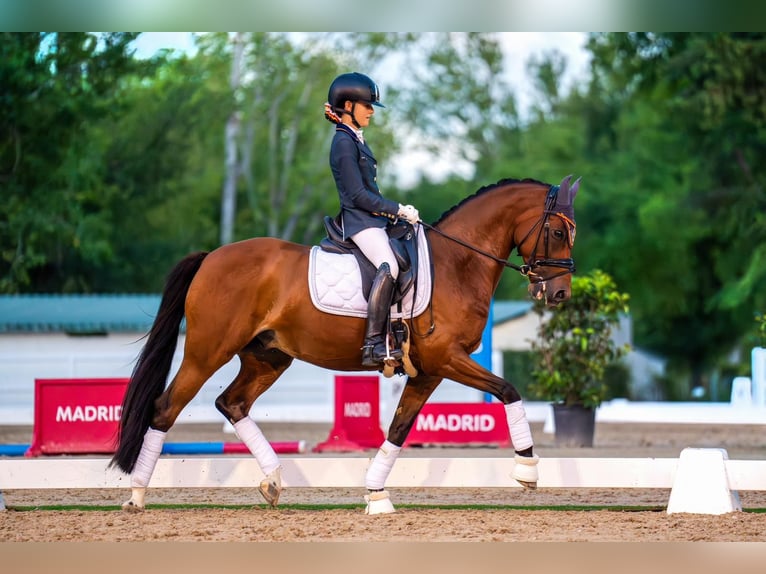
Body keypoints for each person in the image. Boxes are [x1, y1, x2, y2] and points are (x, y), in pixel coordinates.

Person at [324, 72, 420, 367]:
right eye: (367, 106)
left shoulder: (353, 139)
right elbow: (357, 195)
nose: (371, 112)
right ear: (349, 105)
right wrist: (397, 209)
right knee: (388, 265)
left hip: (371, 220)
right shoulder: (343, 143)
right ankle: (373, 344)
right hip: (359, 222)